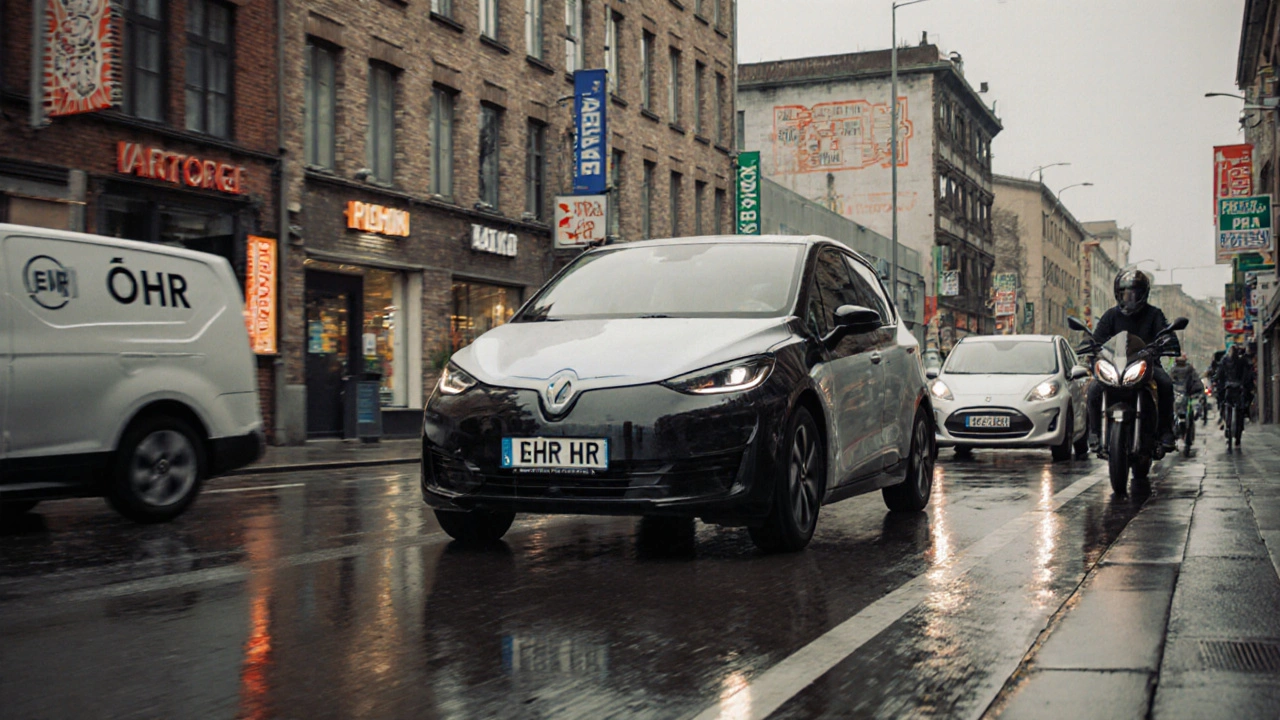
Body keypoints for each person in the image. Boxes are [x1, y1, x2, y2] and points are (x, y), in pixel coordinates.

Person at [1087, 270, 1180, 453]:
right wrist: (1090, 346)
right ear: (1118, 294)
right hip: (1116, 367)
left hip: (1147, 366)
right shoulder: (1110, 316)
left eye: (1134, 293)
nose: (1130, 297)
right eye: (1125, 293)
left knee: (1166, 384)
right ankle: (1094, 433)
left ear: (1143, 294)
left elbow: (1166, 334)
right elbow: (1097, 338)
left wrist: (1166, 343)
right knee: (1094, 389)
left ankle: (1165, 432)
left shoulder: (1154, 314)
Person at [1216, 343, 1256, 426]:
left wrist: (1218, 381)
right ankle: (1244, 418)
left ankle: (1224, 421)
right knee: (1242, 405)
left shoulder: (1224, 360)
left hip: (1228, 387)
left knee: (1223, 401)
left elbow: (1220, 373)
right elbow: (1248, 372)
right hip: (1240, 387)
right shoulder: (1242, 360)